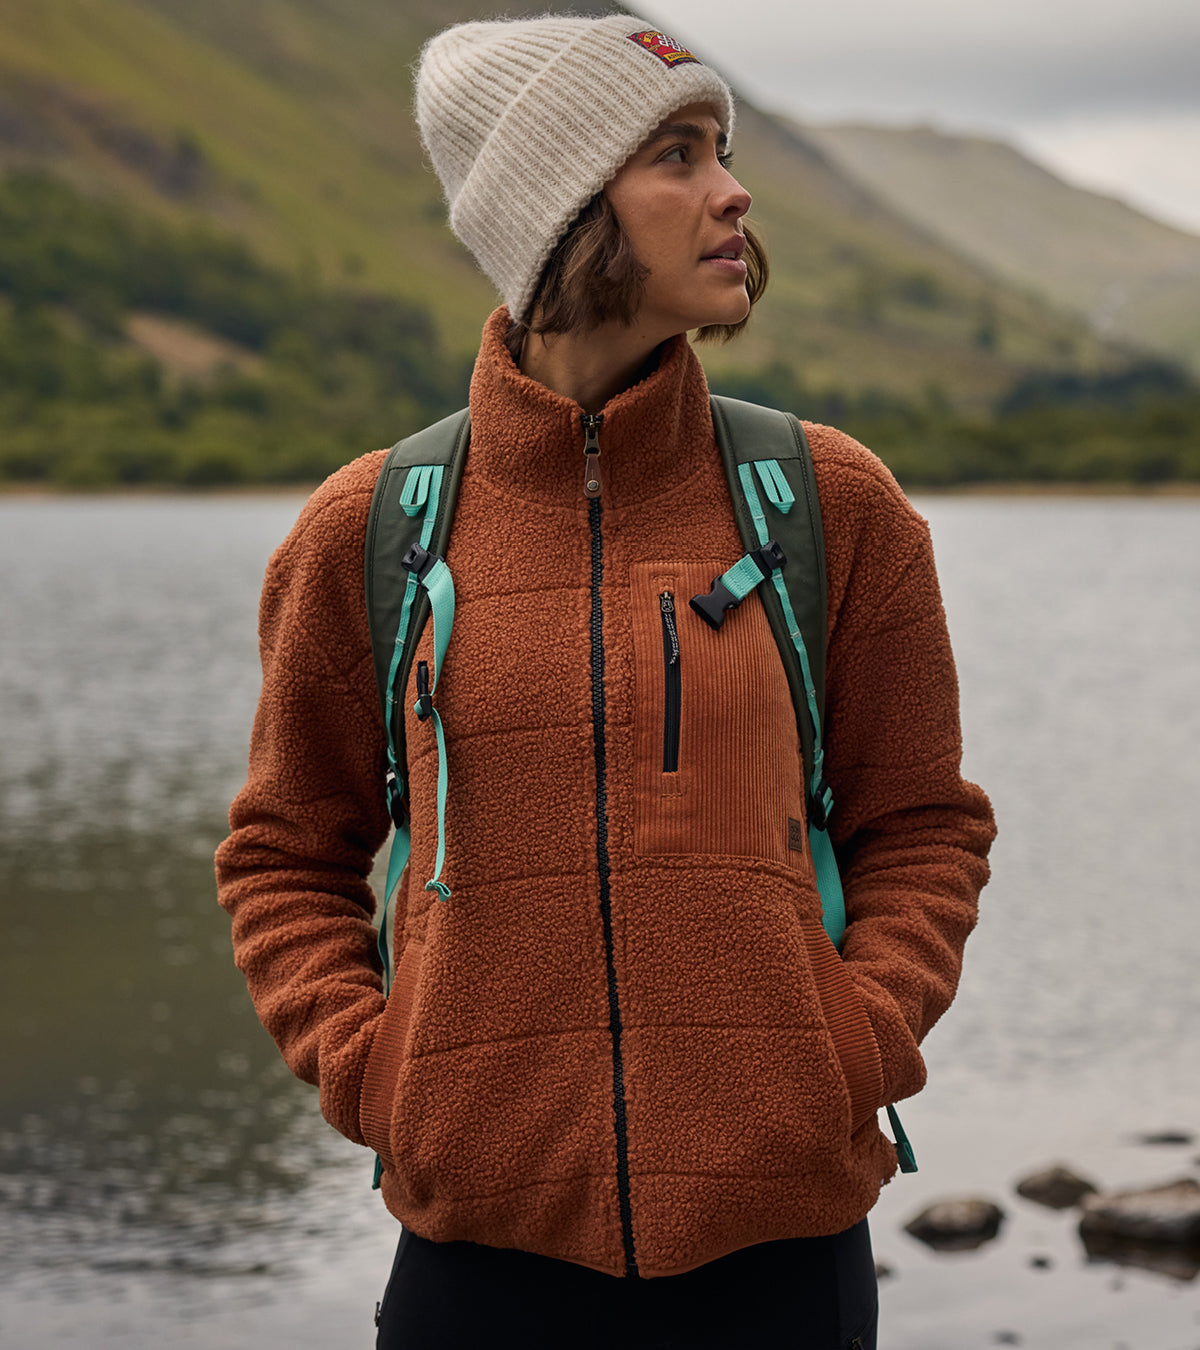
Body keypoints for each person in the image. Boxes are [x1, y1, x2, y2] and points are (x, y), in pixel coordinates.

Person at [216, 14, 996, 1349]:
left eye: (725, 150)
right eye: (678, 156)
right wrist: (384, 1073)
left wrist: (850, 1043)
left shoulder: (828, 505)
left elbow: (922, 827)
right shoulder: (373, 528)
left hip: (784, 1253)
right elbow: (285, 855)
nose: (732, 190)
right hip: (479, 1258)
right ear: (563, 209)